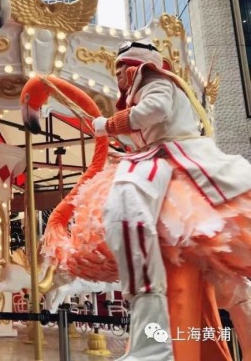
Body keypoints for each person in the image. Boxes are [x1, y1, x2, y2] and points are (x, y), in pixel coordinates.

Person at [91, 40, 251, 360]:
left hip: (174, 162)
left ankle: (152, 347)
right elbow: (150, 129)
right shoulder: (151, 87)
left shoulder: (155, 81)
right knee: (220, 270)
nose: (117, 73)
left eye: (122, 66)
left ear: (137, 66)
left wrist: (108, 125)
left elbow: (155, 111)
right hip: (171, 162)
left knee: (126, 211)